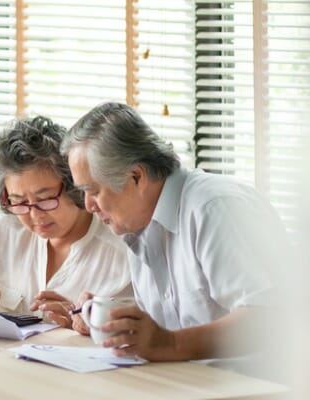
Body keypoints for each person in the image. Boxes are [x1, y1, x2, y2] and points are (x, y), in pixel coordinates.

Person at [62, 102, 287, 362]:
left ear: (136, 177)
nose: (88, 206)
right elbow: (168, 329)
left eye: (93, 191)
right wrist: (113, 321)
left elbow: (268, 319)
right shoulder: (138, 223)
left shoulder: (214, 207)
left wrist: (169, 343)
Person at [0, 116, 131, 327]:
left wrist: (86, 323)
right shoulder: (2, 231)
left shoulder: (122, 251)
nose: (34, 215)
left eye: (45, 199)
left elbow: (139, 331)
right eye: (19, 201)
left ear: (73, 186)